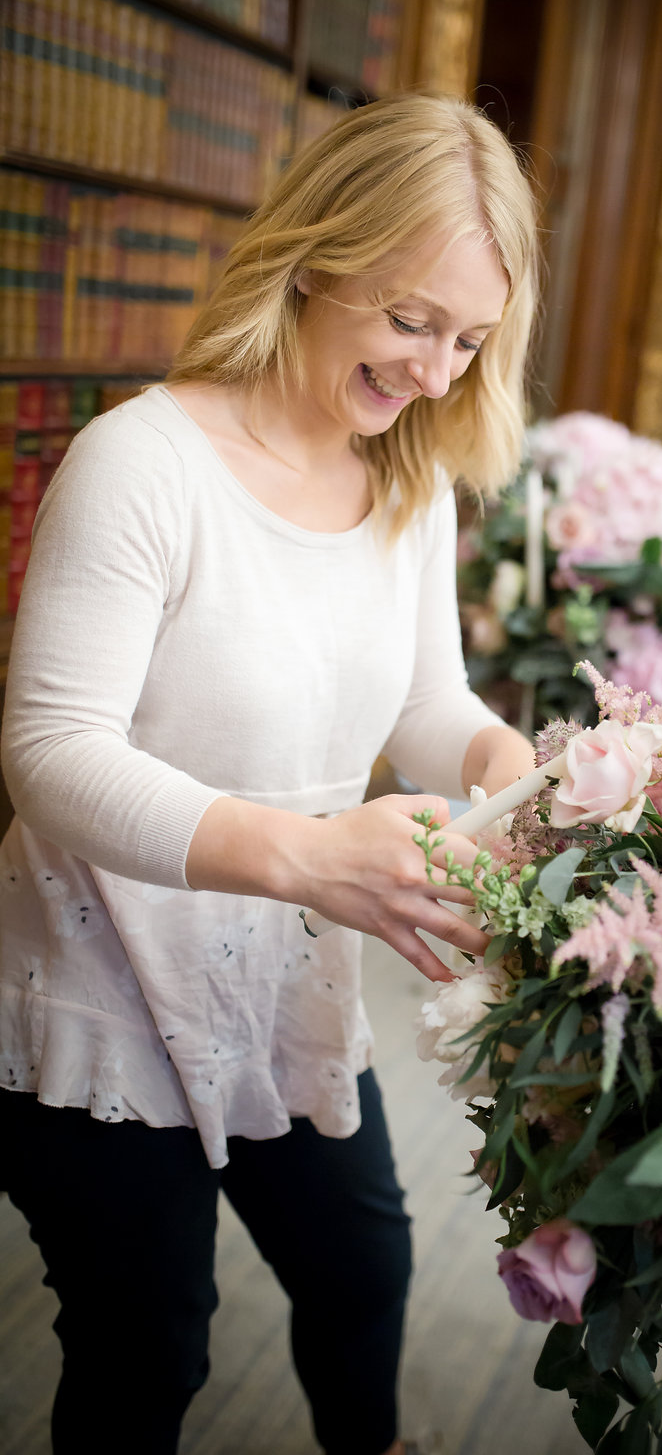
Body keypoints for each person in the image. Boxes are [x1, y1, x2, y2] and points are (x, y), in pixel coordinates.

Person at [0, 92, 539, 1455]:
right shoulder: (141, 466)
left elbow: (426, 703)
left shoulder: (408, 483)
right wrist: (311, 853)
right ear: (318, 254)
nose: (434, 371)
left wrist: (508, 763)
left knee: (364, 1274)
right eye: (412, 319)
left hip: (280, 976)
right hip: (96, 981)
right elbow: (50, 758)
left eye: (469, 341)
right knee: (150, 1348)